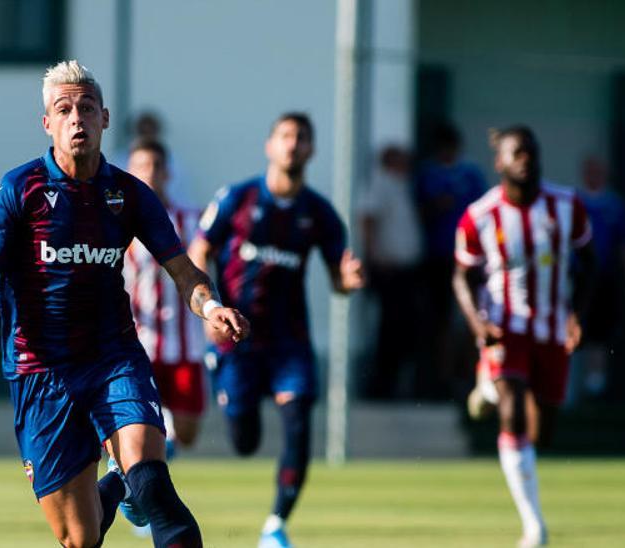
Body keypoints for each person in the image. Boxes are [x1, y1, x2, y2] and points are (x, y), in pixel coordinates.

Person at [0, 60, 249, 548]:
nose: (76, 117)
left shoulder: (130, 194)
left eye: (85, 107)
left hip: (112, 357)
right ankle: (119, 485)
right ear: (48, 124)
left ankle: (133, 479)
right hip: (40, 372)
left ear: (104, 118)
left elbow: (184, 272)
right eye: (64, 109)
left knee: (155, 485)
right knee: (80, 538)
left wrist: (210, 307)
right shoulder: (19, 190)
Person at [189, 112, 364, 548]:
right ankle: (225, 382)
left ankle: (275, 525)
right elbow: (199, 250)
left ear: (311, 150)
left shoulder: (320, 213)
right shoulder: (238, 198)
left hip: (290, 341)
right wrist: (210, 309)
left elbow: (339, 280)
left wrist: (349, 281)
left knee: (299, 422)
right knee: (244, 441)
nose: (292, 145)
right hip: (237, 339)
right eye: (285, 136)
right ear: (270, 145)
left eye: (301, 138)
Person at [452, 126, 595, 547]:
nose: (526, 159)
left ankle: (489, 390)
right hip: (504, 327)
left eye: (531, 151)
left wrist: (578, 316)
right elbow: (462, 275)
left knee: (542, 431)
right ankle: (534, 526)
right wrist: (478, 325)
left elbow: (591, 262)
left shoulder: (567, 206)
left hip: (551, 328)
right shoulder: (480, 215)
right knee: (513, 410)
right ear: (500, 161)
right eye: (517, 153)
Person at [123, 139, 208, 459]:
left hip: (185, 343)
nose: (150, 173)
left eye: (156, 166)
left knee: (186, 433)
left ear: (167, 173)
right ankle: (138, 480)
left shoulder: (192, 220)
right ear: (130, 171)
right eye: (142, 166)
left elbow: (207, 266)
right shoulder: (117, 222)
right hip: (137, 342)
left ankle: (155, 458)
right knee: (138, 429)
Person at [416, 123, 488, 398]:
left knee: (473, 317)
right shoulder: (427, 173)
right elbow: (419, 210)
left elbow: (484, 211)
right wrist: (436, 207)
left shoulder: (470, 173)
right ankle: (444, 378)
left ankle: (472, 375)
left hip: (470, 258)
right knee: (442, 321)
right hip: (438, 257)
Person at [570, 155, 625, 403]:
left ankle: (595, 388)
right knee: (574, 327)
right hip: (578, 277)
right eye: (589, 170)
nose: (594, 175)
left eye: (598, 170)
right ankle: (569, 391)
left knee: (600, 334)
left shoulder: (615, 204)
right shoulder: (574, 201)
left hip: (605, 278)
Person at [357, 145, 423, 399]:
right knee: (390, 329)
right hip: (389, 269)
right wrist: (374, 256)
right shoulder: (380, 183)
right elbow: (368, 219)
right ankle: (380, 386)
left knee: (404, 328)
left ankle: (396, 383)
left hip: (406, 271)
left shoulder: (401, 184)